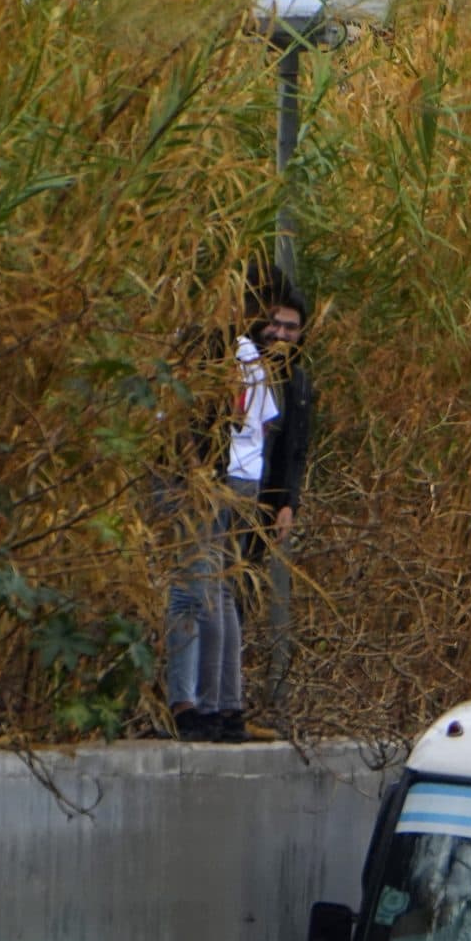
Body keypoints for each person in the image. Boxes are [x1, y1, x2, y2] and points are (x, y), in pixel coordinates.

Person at [165, 270, 316, 744]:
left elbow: (279, 441)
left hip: (221, 481)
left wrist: (281, 500)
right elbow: (256, 427)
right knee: (220, 592)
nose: (280, 333)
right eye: (273, 321)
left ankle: (197, 706)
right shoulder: (244, 356)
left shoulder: (235, 356)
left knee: (199, 591)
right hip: (234, 480)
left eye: (291, 327)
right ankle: (221, 705)